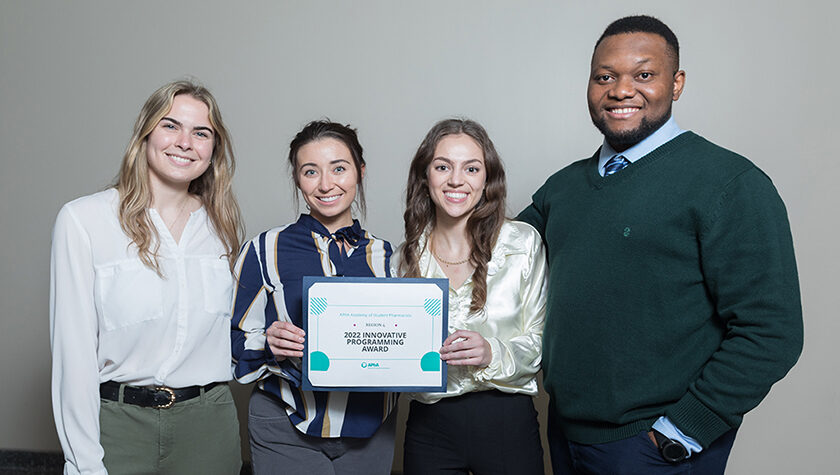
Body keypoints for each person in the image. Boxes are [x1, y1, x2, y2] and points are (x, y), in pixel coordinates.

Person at [517, 15, 803, 474]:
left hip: (654, 446)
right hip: (566, 435)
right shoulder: (563, 189)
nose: (620, 90)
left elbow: (771, 332)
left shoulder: (729, 184)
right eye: (604, 77)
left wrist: (680, 432)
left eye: (643, 75)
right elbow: (492, 258)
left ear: (677, 84)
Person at [49, 80, 244, 475]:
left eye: (201, 132)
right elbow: (74, 355)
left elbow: (234, 333)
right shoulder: (84, 220)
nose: (185, 142)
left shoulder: (222, 228)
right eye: (170, 125)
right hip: (118, 427)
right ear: (145, 134)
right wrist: (83, 462)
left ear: (213, 150)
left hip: (209, 427)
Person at [231, 120, 397, 474]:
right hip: (284, 423)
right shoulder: (263, 249)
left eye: (339, 168)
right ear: (297, 179)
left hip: (372, 426)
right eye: (311, 171)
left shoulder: (390, 256)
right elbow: (231, 338)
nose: (325, 184)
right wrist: (267, 343)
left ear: (360, 172)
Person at [398, 118, 547, 474]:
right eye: (442, 166)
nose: (455, 180)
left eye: (471, 168)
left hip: (506, 421)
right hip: (429, 427)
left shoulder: (522, 244)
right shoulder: (404, 258)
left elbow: (541, 342)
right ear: (425, 176)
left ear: (486, 179)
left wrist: (492, 351)